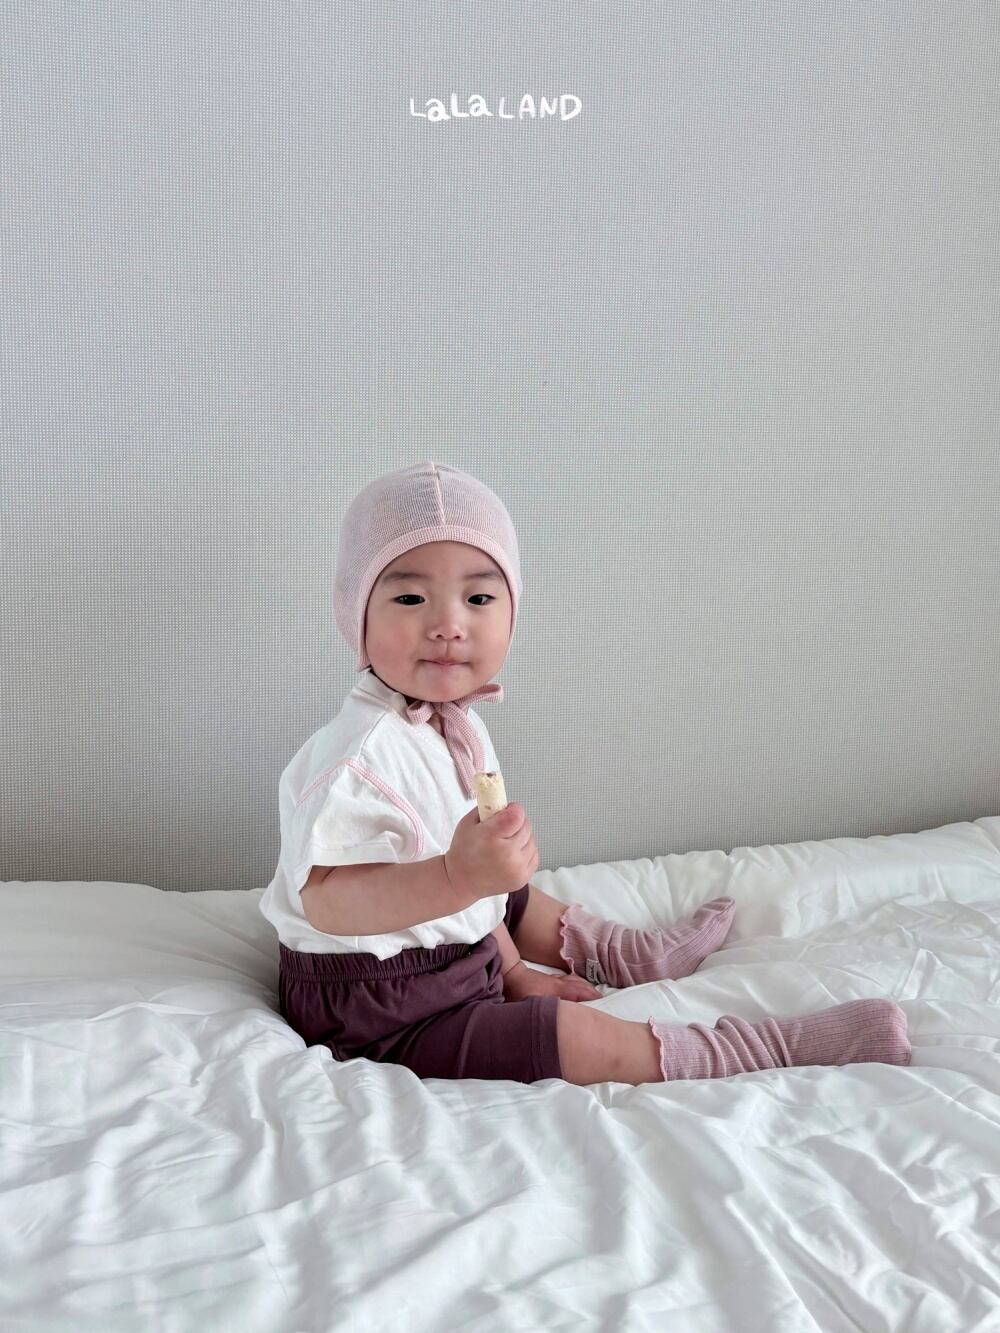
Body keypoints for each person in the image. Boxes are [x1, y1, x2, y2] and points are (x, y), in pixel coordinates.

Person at [259, 460, 911, 1086]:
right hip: (378, 1004)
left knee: (509, 888)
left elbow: (477, 896)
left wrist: (511, 965)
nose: (449, 625)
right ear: (356, 614)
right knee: (561, 1034)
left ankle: (629, 953)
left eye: (479, 596)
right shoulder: (358, 758)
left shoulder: (452, 724)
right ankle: (761, 1048)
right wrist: (458, 878)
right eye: (409, 596)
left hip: (450, 947)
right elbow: (328, 901)